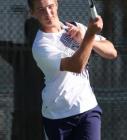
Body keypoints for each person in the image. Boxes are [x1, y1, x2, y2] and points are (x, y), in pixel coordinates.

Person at [27, 0, 117, 139]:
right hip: (57, 116)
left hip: (88, 108)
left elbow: (112, 52)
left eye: (50, 7)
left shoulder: (75, 27)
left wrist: (86, 39)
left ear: (57, 4)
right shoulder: (40, 46)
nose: (48, 13)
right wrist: (89, 34)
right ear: (32, 13)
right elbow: (77, 66)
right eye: (41, 10)